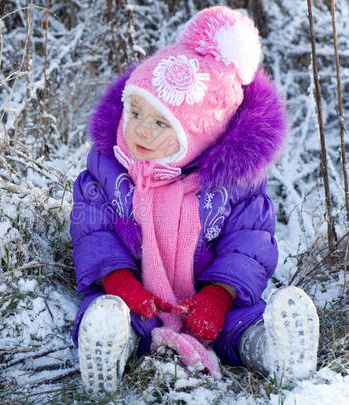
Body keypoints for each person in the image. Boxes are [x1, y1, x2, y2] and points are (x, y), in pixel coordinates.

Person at [70, 6, 319, 395]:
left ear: (200, 135)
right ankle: (109, 351)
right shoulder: (109, 168)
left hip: (211, 300)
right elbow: (92, 229)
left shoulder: (232, 185)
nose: (140, 131)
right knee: (110, 315)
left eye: (161, 123)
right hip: (137, 296)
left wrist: (220, 295)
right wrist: (119, 281)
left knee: (242, 323)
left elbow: (249, 243)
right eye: (135, 112)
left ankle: (273, 351)